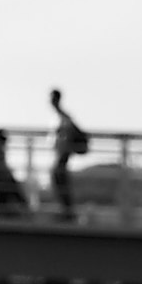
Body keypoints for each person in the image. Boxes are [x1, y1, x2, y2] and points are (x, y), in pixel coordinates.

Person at [47, 89, 88, 222]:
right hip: (59, 154)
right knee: (58, 180)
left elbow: (69, 132)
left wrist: (65, 146)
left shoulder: (63, 117)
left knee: (59, 179)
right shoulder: (59, 116)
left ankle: (68, 213)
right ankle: (66, 211)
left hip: (62, 154)